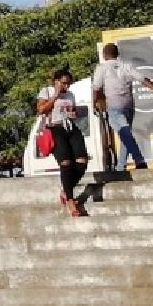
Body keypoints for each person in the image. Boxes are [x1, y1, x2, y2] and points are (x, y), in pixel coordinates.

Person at [92, 43, 153, 171]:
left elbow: (96, 87)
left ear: (104, 55)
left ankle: (139, 160)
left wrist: (95, 102)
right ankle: (120, 167)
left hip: (114, 107)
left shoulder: (102, 68)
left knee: (125, 133)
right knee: (125, 136)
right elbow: (143, 79)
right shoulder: (126, 66)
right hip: (128, 106)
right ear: (117, 54)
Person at [38, 66, 89, 216]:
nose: (66, 87)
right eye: (64, 83)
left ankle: (65, 190)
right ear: (56, 82)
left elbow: (73, 113)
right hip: (55, 128)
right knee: (66, 163)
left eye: (68, 84)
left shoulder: (71, 94)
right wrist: (55, 96)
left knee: (82, 161)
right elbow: (41, 110)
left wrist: (74, 113)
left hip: (70, 127)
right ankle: (70, 200)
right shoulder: (46, 91)